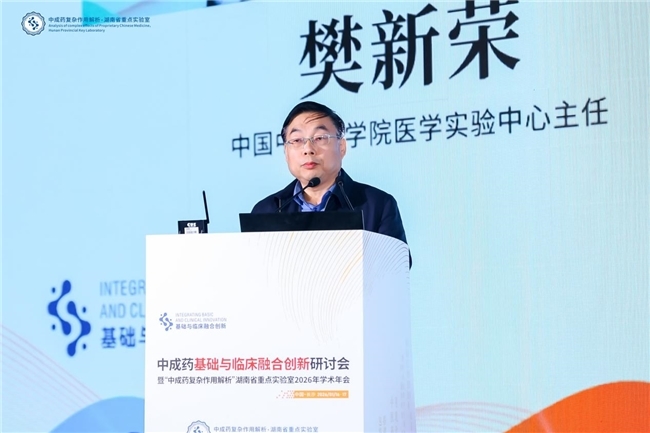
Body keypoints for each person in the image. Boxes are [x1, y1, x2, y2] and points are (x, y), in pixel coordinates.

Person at [251, 101, 411, 267]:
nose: (308, 149)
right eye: (297, 140)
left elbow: (396, 269)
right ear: (286, 152)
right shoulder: (267, 211)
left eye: (319, 138)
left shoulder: (377, 205)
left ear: (341, 147)